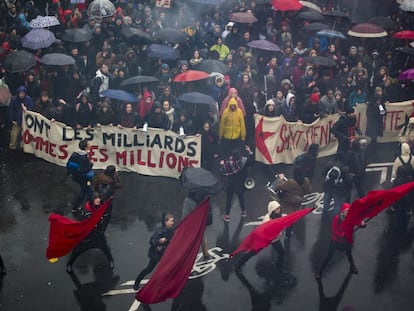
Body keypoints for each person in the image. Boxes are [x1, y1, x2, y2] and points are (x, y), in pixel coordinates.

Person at [66, 193, 114, 273]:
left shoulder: (102, 210)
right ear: (92, 200)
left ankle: (110, 261)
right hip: (88, 237)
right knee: (77, 251)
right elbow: (81, 220)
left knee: (105, 249)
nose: (98, 200)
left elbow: (107, 215)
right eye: (96, 198)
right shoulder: (86, 211)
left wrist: (109, 203)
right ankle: (69, 264)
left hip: (98, 236)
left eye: (99, 198)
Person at [316, 206, 366, 279]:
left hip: (346, 240)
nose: (348, 213)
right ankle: (319, 272)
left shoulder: (351, 218)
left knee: (349, 254)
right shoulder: (337, 218)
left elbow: (358, 222)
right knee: (328, 256)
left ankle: (353, 266)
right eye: (346, 211)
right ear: (342, 212)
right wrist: (341, 234)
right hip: (336, 240)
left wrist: (362, 224)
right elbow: (333, 230)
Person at [235, 201, 285, 273]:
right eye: (277, 209)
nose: (279, 210)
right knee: (253, 252)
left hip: (274, 239)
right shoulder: (267, 220)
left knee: (281, 252)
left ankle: (279, 267)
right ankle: (238, 264)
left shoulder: (278, 216)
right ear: (272, 210)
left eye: (279, 208)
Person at [133, 213, 175, 290]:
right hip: (156, 255)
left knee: (171, 269)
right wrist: (159, 241)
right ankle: (137, 282)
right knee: (149, 269)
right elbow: (152, 240)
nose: (173, 223)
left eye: (173, 221)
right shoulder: (160, 231)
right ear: (166, 222)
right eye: (171, 221)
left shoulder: (171, 231)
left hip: (165, 254)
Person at [220, 145, 254, 222]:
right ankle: (243, 212)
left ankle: (227, 216)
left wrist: (222, 164)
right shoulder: (244, 161)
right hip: (241, 184)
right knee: (241, 197)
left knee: (229, 199)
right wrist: (250, 151)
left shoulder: (229, 163)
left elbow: (222, 171)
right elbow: (252, 162)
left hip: (231, 184)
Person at [67, 139, 94, 213]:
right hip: (82, 177)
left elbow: (69, 163)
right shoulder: (84, 158)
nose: (90, 145)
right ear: (86, 147)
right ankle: (76, 206)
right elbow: (84, 170)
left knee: (87, 190)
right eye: (89, 144)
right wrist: (91, 164)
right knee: (85, 190)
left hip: (75, 175)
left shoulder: (75, 154)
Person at [8, 86, 33, 150]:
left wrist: (26, 109)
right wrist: (12, 120)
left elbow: (31, 109)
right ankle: (12, 147)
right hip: (16, 120)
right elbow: (11, 110)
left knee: (24, 135)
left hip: (25, 121)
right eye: (20, 93)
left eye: (23, 93)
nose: (21, 95)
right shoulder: (14, 99)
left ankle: (23, 147)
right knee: (14, 135)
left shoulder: (28, 99)